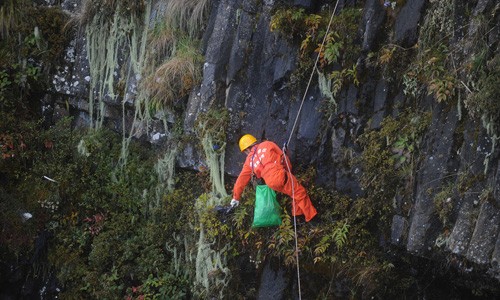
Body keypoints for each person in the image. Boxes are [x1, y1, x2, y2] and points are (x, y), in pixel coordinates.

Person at [230, 134, 317, 222]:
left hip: (270, 183)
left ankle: (297, 217)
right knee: (299, 192)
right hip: (280, 175)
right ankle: (312, 218)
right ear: (254, 142)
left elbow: (241, 180)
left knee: (293, 192)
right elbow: (283, 157)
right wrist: (288, 171)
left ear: (247, 149)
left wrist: (235, 198)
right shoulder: (267, 144)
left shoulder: (249, 161)